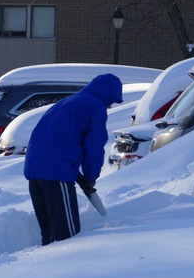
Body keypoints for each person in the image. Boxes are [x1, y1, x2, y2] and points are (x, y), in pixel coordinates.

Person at [23, 73, 123, 246]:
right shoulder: (94, 106)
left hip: (35, 170)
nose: (110, 105)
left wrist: (76, 174)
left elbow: (57, 141)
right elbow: (93, 147)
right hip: (55, 174)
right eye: (112, 100)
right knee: (67, 238)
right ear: (107, 94)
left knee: (49, 236)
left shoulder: (69, 102)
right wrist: (91, 177)